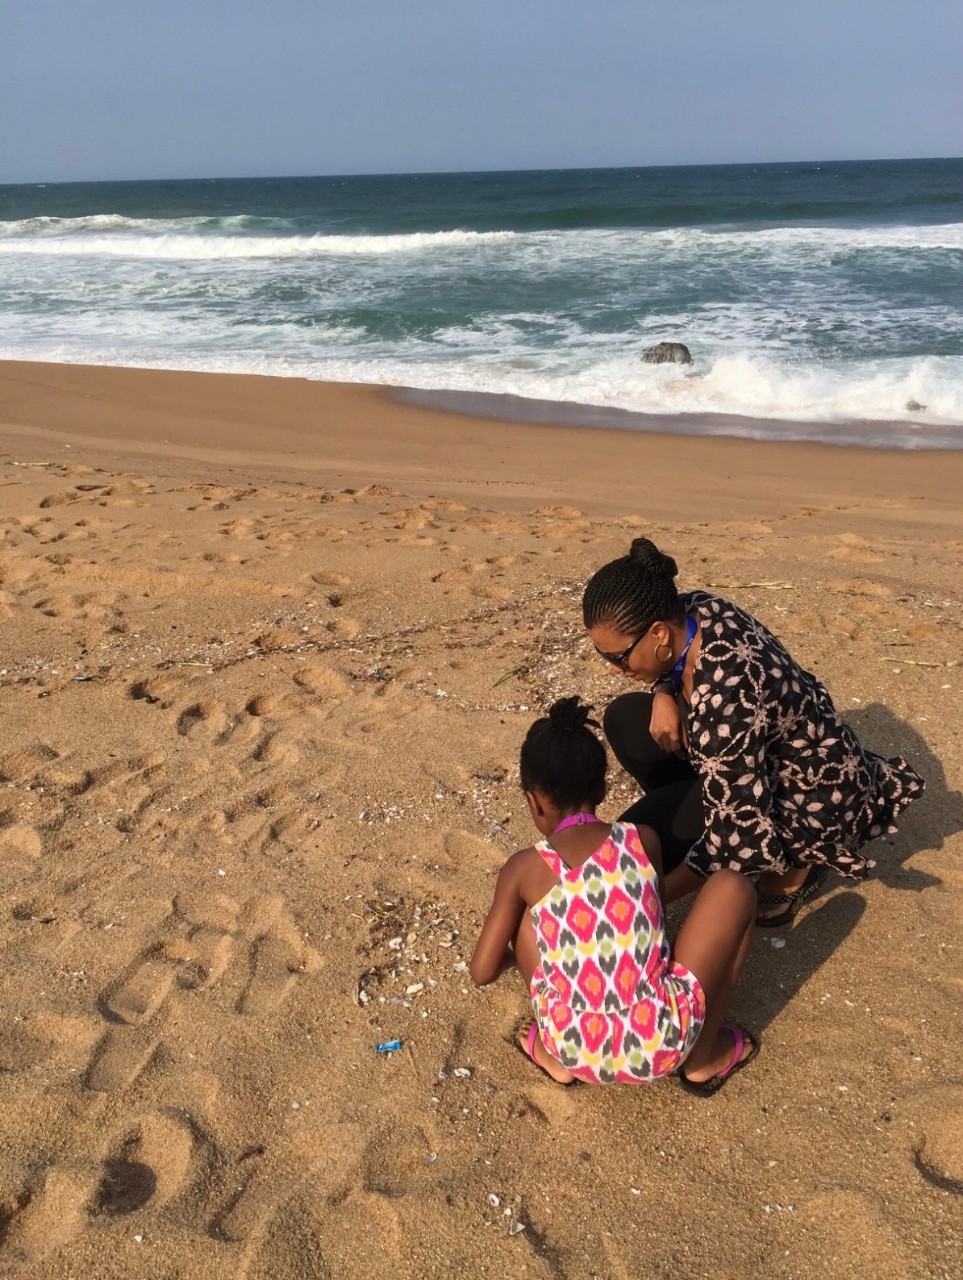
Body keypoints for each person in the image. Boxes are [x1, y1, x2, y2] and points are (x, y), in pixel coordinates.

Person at [581, 537, 925, 919]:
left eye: (617, 656)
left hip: (808, 795)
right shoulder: (696, 608)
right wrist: (663, 691)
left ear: (659, 634)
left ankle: (798, 863)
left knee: (638, 851)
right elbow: (691, 690)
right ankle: (704, 807)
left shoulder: (727, 691)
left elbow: (736, 832)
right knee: (627, 719)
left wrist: (652, 899)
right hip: (746, 755)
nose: (613, 667)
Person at [469, 697, 758, 1094]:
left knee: (529, 914)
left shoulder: (524, 868)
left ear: (533, 801)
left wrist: (525, 954)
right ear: (603, 789)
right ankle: (703, 1059)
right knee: (736, 887)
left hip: (572, 1047)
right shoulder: (643, 838)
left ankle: (554, 1061)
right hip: (661, 1042)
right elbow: (648, 912)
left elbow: (481, 971)